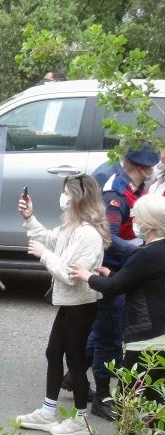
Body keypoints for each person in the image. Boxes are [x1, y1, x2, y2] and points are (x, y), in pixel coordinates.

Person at [15, 174, 109, 435]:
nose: (63, 197)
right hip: (68, 303)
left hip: (81, 303)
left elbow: (69, 274)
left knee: (75, 360)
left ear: (79, 198)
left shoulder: (88, 234)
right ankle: (48, 411)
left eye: (67, 193)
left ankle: (81, 419)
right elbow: (48, 238)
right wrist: (29, 217)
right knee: (53, 353)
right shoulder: (71, 225)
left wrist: (44, 255)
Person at [69, 194, 165, 435]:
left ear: (149, 224)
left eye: (138, 217)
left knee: (128, 400)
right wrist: (112, 274)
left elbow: (113, 288)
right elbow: (142, 281)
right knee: (158, 400)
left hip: (145, 340)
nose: (134, 220)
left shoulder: (145, 255)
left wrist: (87, 276)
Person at [89, 143, 160, 419]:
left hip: (130, 267)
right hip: (114, 268)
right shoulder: (116, 193)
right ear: (143, 168)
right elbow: (109, 238)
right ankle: (103, 395)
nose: (154, 171)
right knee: (109, 335)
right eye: (151, 167)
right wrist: (143, 251)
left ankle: (74, 376)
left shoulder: (137, 188)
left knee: (104, 331)